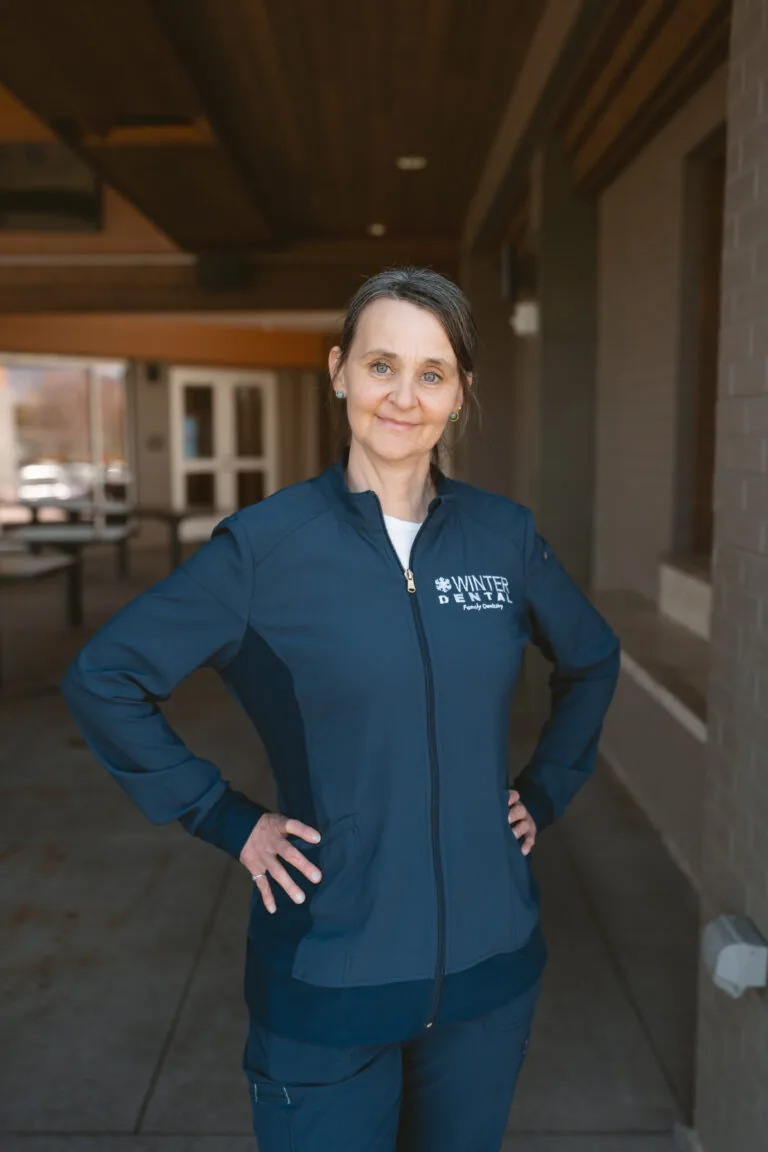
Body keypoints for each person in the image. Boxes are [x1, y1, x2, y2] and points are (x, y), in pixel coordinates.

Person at [60, 266, 621, 1151]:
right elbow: (104, 676)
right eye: (381, 365)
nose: (404, 396)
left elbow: (593, 659)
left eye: (432, 374)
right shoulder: (265, 548)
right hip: (329, 984)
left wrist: (546, 789)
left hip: (489, 980)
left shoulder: (503, 538)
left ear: (461, 395)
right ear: (339, 372)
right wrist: (225, 817)